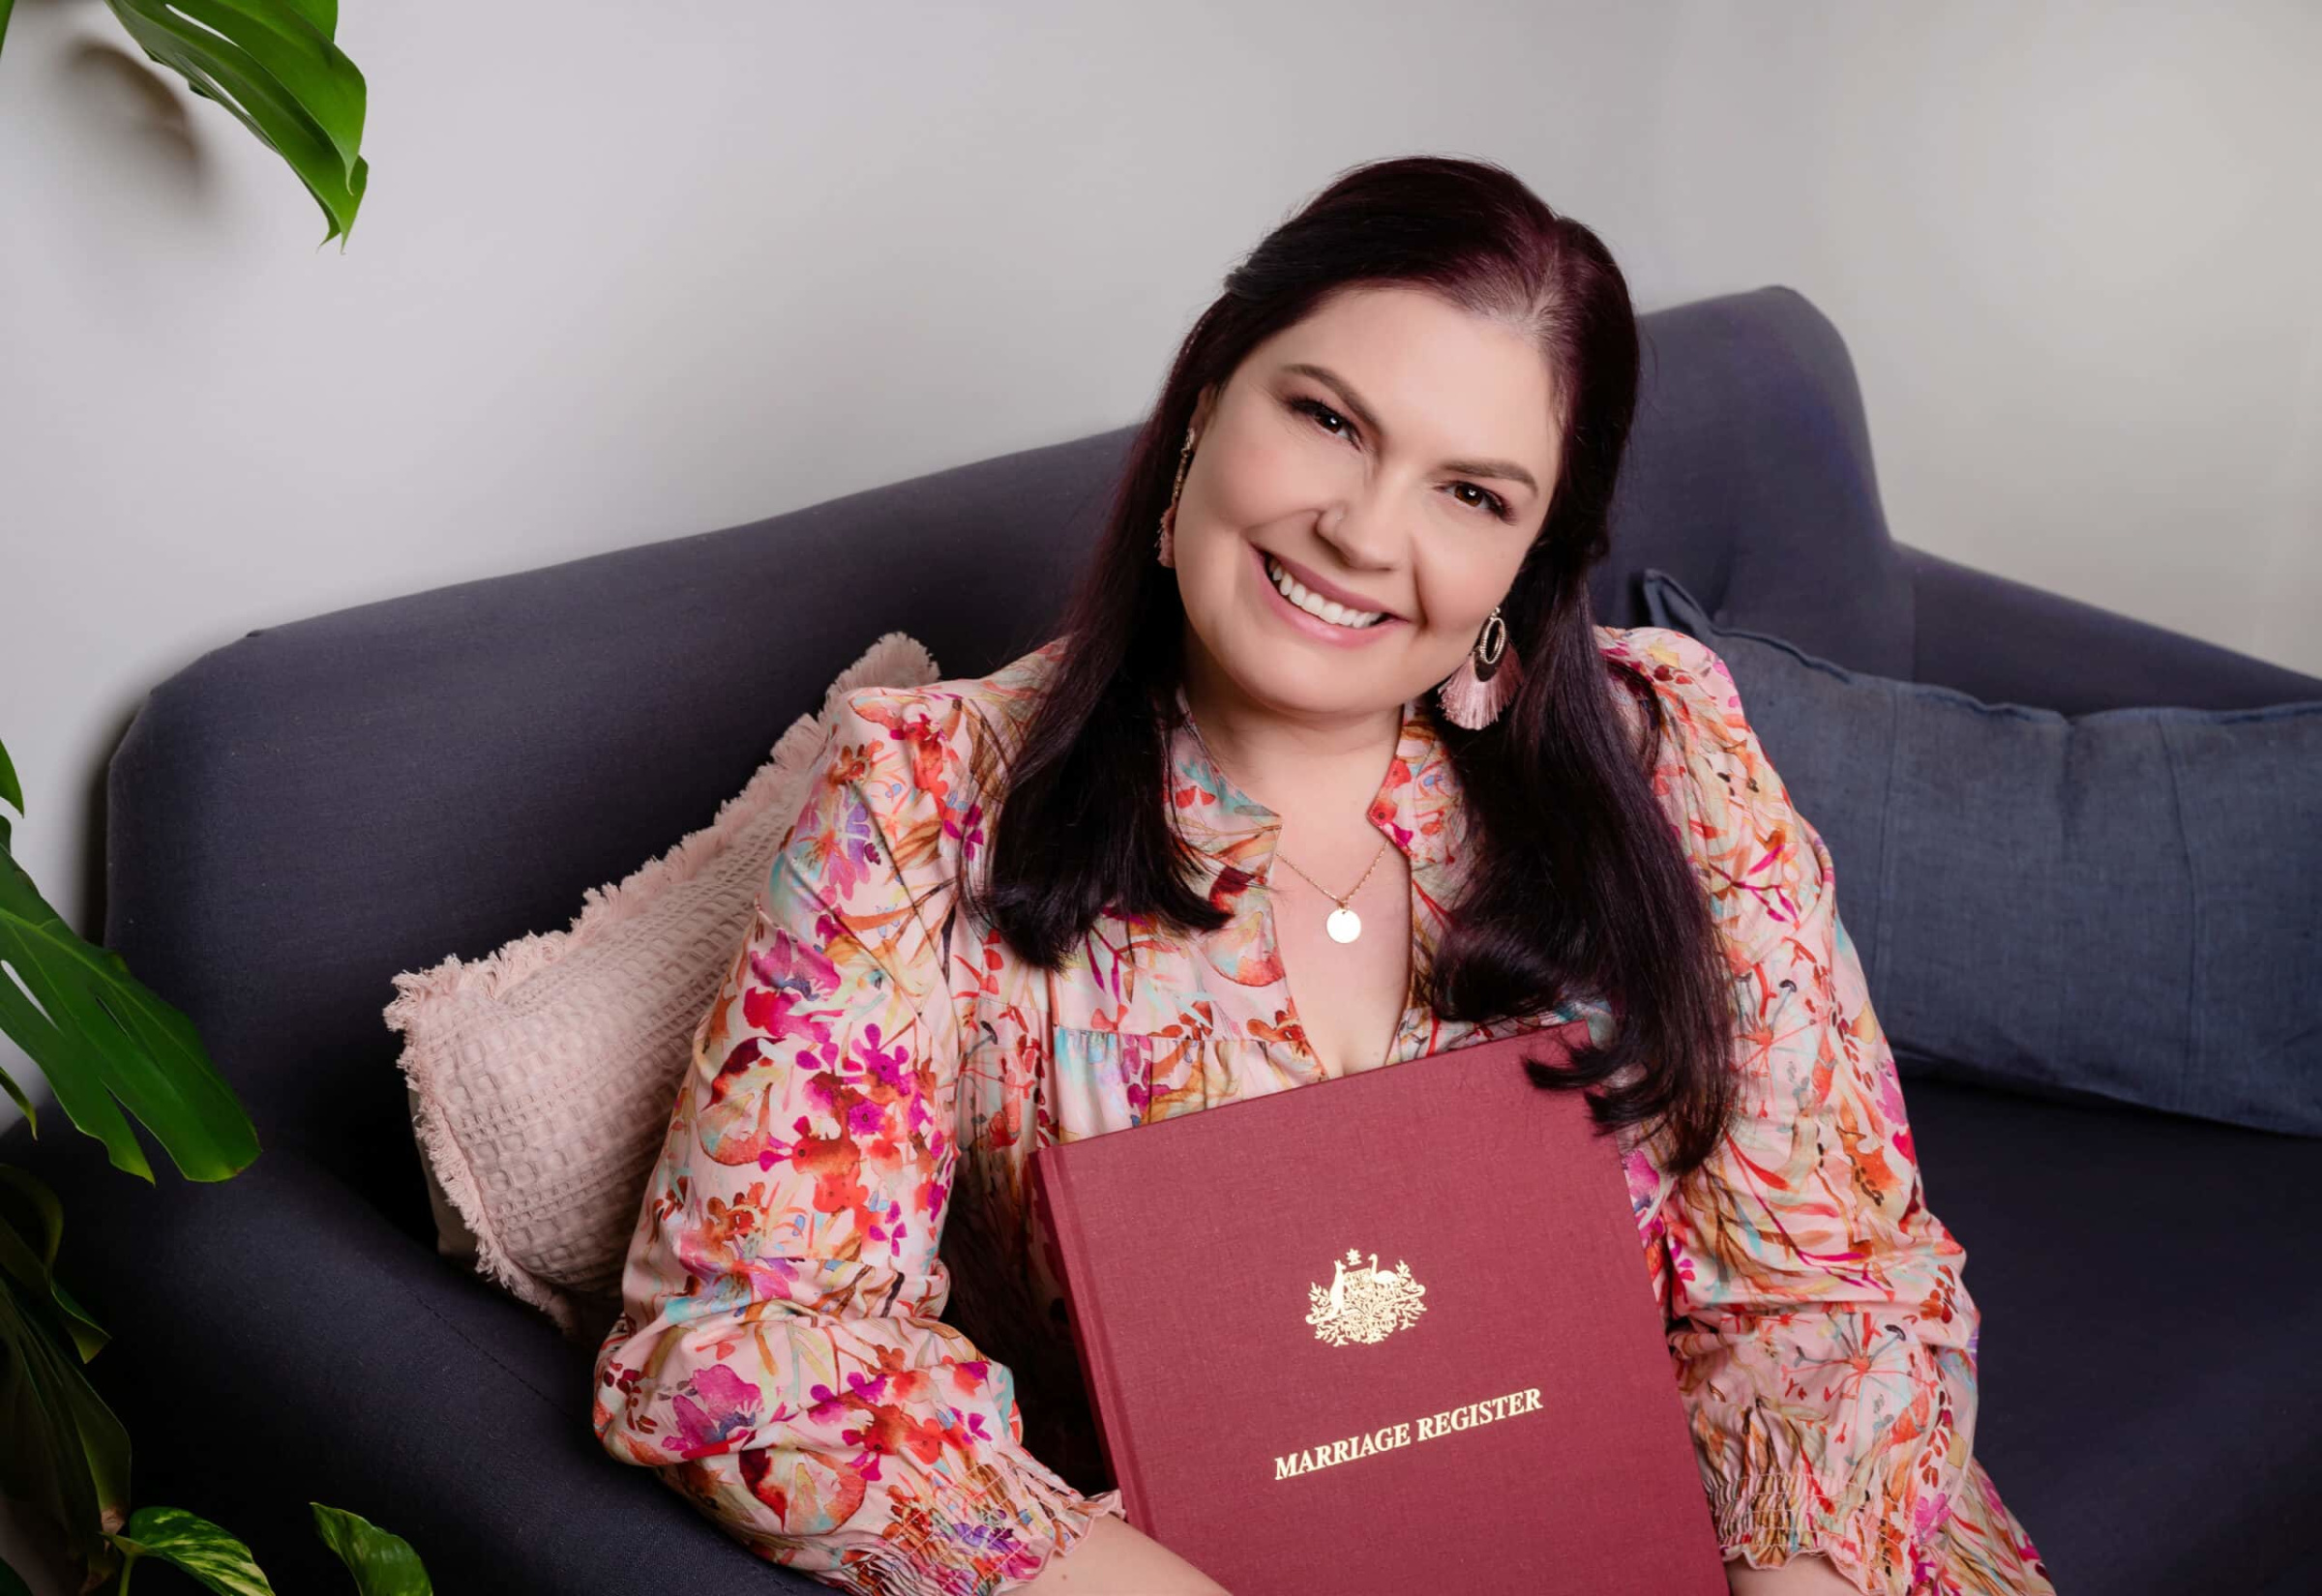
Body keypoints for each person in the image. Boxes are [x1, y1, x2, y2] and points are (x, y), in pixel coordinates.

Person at [590, 154, 2056, 1596]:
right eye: (1327, 419)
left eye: (1473, 496)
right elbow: (739, 1337)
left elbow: (1833, 1282)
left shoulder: (1668, 749)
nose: (1363, 533)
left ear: (1529, 569)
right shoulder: (923, 801)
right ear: (1203, 405)